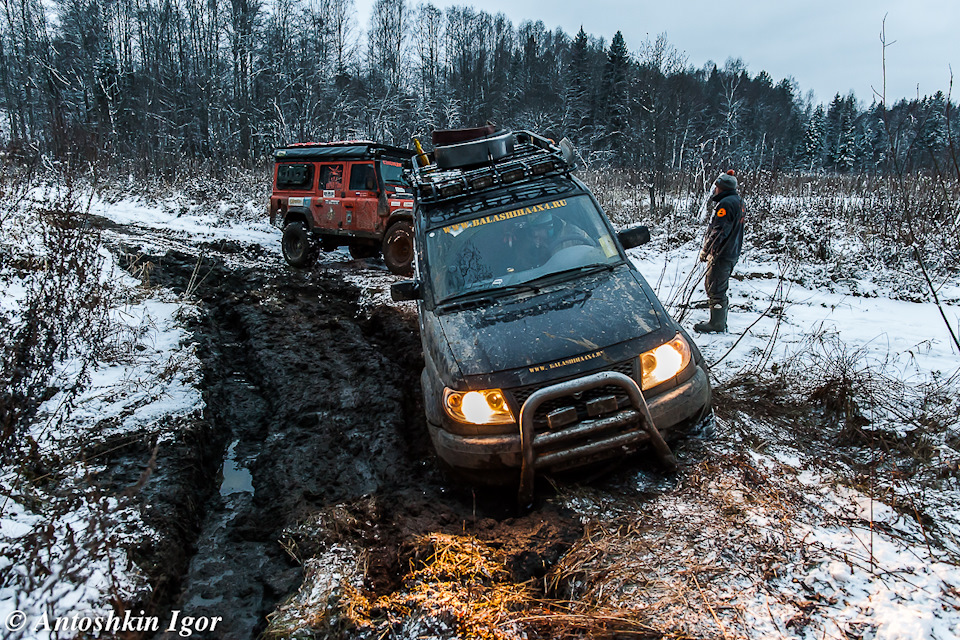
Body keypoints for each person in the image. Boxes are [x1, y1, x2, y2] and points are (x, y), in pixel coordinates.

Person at [694, 170, 745, 333]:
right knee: (716, 286)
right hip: (731, 252)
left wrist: (706, 250)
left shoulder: (725, 204)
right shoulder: (738, 201)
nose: (715, 190)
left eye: (716, 187)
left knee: (715, 287)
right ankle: (718, 320)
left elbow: (719, 232)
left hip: (722, 254)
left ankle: (717, 324)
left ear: (722, 188)